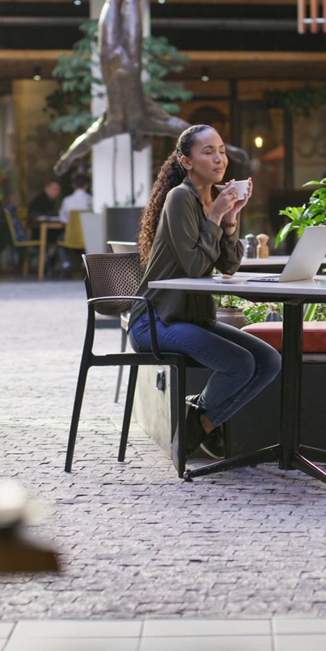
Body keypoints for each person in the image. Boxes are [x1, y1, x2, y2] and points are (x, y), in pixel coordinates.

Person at [126, 124, 278, 460]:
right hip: (155, 322)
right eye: (207, 151)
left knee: (269, 360)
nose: (219, 158)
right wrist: (215, 215)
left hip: (191, 318)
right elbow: (195, 267)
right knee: (239, 363)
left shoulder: (216, 199)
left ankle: (202, 420)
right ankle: (199, 427)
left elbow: (229, 266)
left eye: (221, 150)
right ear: (187, 161)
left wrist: (230, 221)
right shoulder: (180, 197)